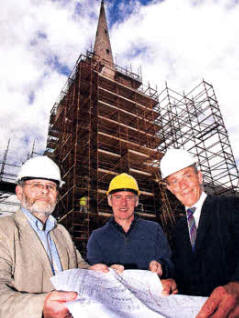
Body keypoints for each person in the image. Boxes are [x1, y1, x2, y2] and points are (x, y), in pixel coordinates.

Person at [0, 156, 110, 318]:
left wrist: (92, 272)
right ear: (19, 192)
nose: (44, 191)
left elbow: (77, 264)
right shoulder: (4, 230)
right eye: (36, 185)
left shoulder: (61, 232)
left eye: (50, 186)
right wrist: (41, 307)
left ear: (57, 195)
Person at [160, 148, 239, 317]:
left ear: (199, 176)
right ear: (169, 189)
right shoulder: (179, 230)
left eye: (187, 176)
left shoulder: (231, 207)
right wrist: (174, 282)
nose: (182, 186)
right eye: (174, 181)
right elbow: (187, 273)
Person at [87, 173, 177, 294]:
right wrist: (107, 273)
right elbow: (91, 276)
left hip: (151, 298)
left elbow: (171, 264)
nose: (123, 203)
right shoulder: (97, 237)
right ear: (109, 200)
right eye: (118, 197)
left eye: (129, 197)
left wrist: (162, 267)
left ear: (136, 201)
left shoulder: (154, 230)